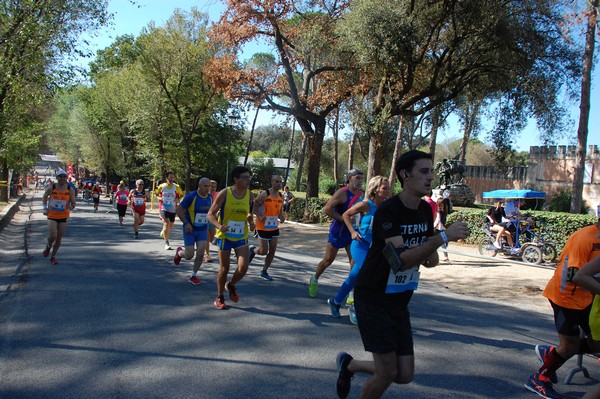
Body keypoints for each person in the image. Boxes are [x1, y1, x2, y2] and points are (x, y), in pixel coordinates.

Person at [335, 150, 468, 399]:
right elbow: (400, 261)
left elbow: (428, 258)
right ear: (405, 175)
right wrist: (442, 237)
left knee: (404, 374)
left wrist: (432, 250)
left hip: (399, 299)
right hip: (373, 296)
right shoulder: (388, 211)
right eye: (424, 171)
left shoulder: (425, 211)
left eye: (432, 171)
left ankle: (349, 365)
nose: (431, 177)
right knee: (386, 373)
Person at [524, 220, 600, 399]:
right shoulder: (584, 237)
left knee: (597, 343)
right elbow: (574, 276)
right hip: (565, 297)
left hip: (588, 298)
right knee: (569, 346)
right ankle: (539, 378)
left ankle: (550, 353)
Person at [328, 175, 391, 324]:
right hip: (360, 245)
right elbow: (346, 214)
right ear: (375, 190)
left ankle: (335, 302)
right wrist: (352, 232)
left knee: (354, 276)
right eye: (384, 188)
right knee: (367, 274)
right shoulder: (366, 204)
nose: (388, 191)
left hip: (374, 247)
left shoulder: (386, 206)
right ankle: (355, 308)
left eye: (388, 188)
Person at [308, 168, 364, 298]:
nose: (360, 180)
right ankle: (314, 279)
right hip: (338, 231)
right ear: (350, 178)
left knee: (354, 262)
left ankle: (352, 293)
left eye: (362, 178)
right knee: (328, 260)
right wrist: (342, 219)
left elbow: (360, 211)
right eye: (357, 178)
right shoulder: (342, 193)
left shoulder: (360, 194)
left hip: (352, 232)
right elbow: (327, 209)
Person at [206, 166, 255, 310]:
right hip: (225, 236)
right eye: (245, 177)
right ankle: (220, 296)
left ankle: (231, 284)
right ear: (236, 179)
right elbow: (210, 214)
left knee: (243, 267)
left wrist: (251, 222)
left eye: (249, 177)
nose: (248, 180)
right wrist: (219, 226)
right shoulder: (225, 193)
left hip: (241, 236)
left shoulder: (249, 195)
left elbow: (248, 213)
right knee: (224, 269)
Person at [174, 177, 213, 285]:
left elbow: (210, 212)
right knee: (189, 255)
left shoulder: (210, 197)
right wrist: (186, 223)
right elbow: (179, 210)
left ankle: (193, 275)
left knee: (200, 253)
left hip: (202, 229)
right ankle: (179, 253)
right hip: (190, 229)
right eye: (205, 186)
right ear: (199, 186)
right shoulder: (192, 196)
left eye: (209, 186)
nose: (208, 188)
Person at [249, 174, 285, 281]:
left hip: (274, 227)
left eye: (280, 182)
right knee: (264, 251)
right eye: (277, 182)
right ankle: (252, 250)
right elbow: (254, 207)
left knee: (273, 249)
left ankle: (264, 271)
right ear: (272, 182)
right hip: (262, 227)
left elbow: (280, 212)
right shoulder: (265, 194)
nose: (279, 184)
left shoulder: (281, 196)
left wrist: (282, 217)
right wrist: (260, 216)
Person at [42, 169, 77, 265]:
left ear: (66, 178)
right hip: (52, 215)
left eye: (64, 177)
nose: (62, 178)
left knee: (59, 238)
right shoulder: (52, 187)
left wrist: (71, 206)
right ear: (57, 178)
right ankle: (48, 246)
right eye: (60, 177)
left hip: (63, 215)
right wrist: (45, 208)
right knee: (53, 235)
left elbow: (73, 203)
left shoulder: (70, 189)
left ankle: (53, 257)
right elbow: (45, 196)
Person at [156, 171, 184, 250]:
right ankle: (167, 243)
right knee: (166, 223)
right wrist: (159, 198)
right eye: (170, 177)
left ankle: (164, 232)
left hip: (172, 208)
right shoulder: (162, 186)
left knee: (170, 225)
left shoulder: (176, 187)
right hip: (163, 207)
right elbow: (156, 193)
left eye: (173, 177)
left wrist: (177, 199)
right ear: (167, 178)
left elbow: (182, 194)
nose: (172, 179)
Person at [205, 179, 219, 263]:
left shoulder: (217, 195)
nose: (212, 188)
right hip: (205, 218)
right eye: (211, 186)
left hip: (213, 219)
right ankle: (207, 254)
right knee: (206, 236)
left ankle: (205, 248)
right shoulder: (205, 195)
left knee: (211, 237)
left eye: (214, 187)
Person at [434, 195, 450, 262]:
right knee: (443, 243)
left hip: (438, 228)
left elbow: (438, 220)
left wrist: (434, 226)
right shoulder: (445, 211)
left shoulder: (439, 211)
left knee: (433, 242)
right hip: (443, 228)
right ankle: (446, 256)